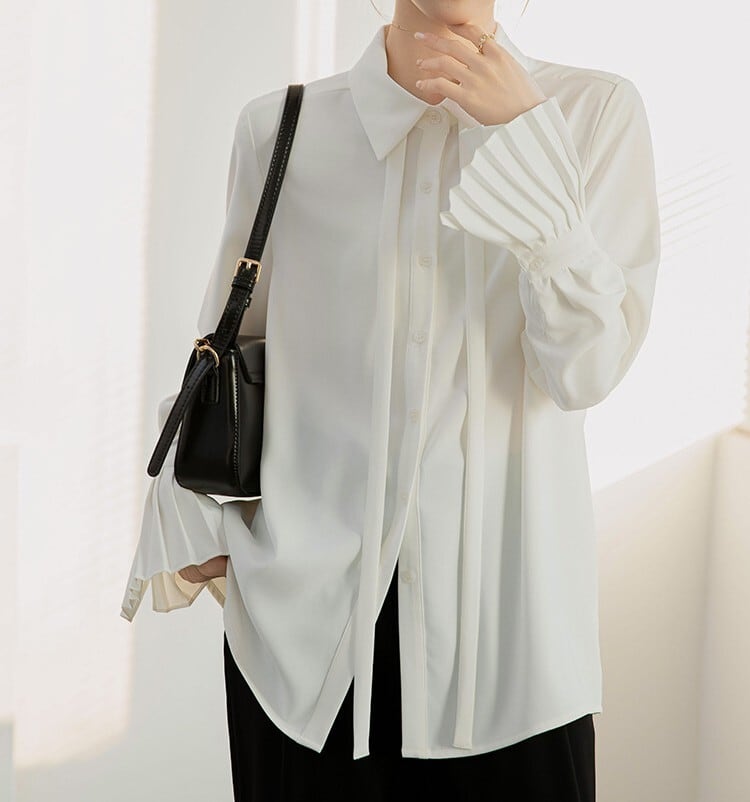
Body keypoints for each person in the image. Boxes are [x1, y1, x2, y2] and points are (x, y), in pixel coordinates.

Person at [120, 1, 661, 800]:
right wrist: (199, 516)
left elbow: (583, 373)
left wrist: (525, 144)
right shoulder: (281, 130)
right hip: (305, 660)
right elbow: (230, 348)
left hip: (510, 668)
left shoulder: (592, 115)